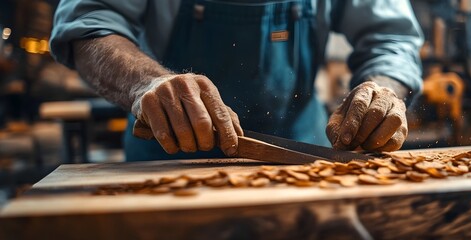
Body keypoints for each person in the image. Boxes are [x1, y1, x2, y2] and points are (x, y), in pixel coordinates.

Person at [50, 0, 423, 161]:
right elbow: (89, 22)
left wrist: (383, 85)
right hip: (166, 159)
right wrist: (143, 82)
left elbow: (390, 36)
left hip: (307, 157)